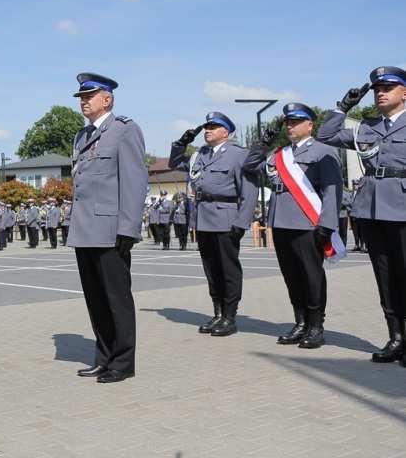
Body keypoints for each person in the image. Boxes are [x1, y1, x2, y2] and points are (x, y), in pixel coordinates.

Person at [316, 67, 406, 365]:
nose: (381, 92)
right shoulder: (367, 127)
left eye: (388, 87)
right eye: (378, 88)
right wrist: (343, 107)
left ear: (404, 92)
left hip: (403, 207)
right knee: (385, 277)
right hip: (371, 209)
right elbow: (325, 134)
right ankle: (396, 338)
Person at [67, 73, 147, 383]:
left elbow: (135, 182)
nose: (83, 101)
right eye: (81, 97)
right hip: (85, 229)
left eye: (89, 96)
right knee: (96, 299)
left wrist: (128, 229)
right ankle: (103, 357)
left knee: (116, 299)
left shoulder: (124, 131)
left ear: (107, 99)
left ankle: (123, 362)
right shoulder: (82, 136)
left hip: (111, 229)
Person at [243, 103, 342, 349]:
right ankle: (300, 323)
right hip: (281, 222)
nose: (290, 126)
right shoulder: (279, 154)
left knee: (311, 276)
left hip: (308, 223)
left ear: (310, 125)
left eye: (296, 121)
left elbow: (332, 191)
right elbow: (249, 165)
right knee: (292, 277)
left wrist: (327, 225)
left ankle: (316, 326)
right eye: (288, 122)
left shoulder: (323, 151)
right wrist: (262, 142)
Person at [169, 112, 257, 336]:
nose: (207, 130)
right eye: (206, 126)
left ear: (225, 132)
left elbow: (249, 191)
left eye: (213, 126)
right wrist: (182, 143)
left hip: (226, 218)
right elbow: (175, 163)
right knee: (211, 270)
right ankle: (217, 313)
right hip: (203, 218)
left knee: (228, 270)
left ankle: (230, 316)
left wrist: (242, 222)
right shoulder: (200, 155)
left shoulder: (239, 155)